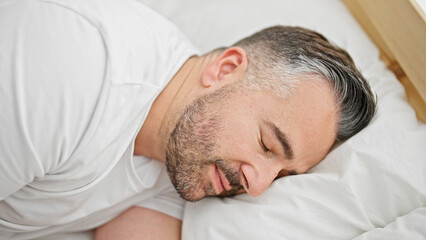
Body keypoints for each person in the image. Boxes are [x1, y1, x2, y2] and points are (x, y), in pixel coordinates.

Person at [0, 0, 376, 239]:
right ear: (226, 69)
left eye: (282, 175)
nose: (258, 186)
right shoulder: (73, 68)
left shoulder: (190, 148)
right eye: (267, 144)